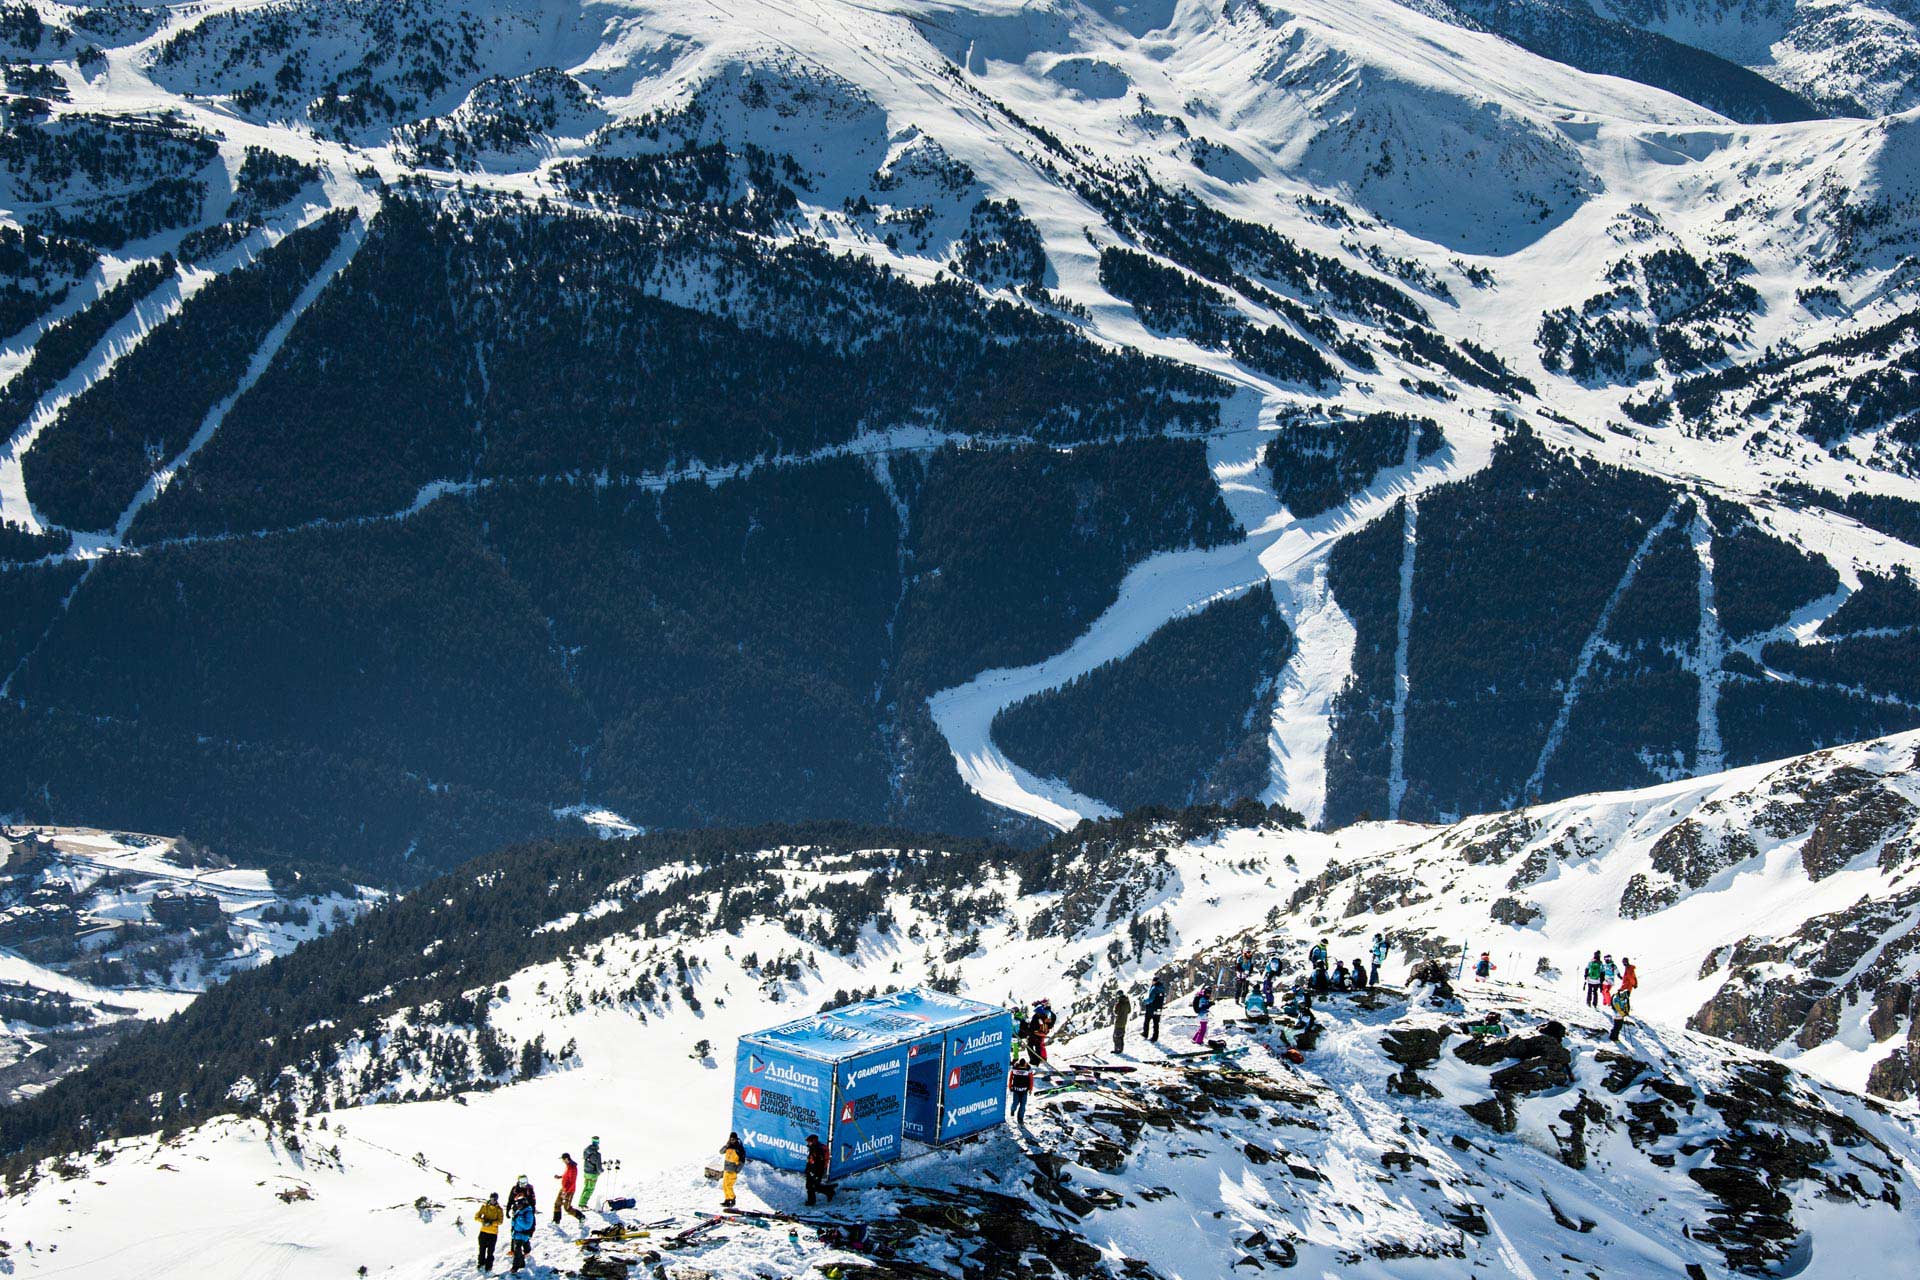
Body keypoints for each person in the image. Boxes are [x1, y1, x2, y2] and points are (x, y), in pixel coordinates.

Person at [804, 1134, 836, 1206]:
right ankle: (829, 1191)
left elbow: (819, 1164)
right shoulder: (814, 1148)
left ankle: (812, 1201)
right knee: (812, 1186)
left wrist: (814, 1172)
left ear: (813, 1141)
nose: (808, 1143)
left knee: (812, 1186)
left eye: (809, 1142)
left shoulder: (818, 1150)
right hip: (812, 1170)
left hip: (816, 1171)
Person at [474, 1192, 503, 1271]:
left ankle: (489, 1266)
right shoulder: (484, 1206)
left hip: (493, 1233)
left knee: (490, 1251)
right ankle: (481, 1263)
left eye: (494, 1199)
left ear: (496, 1200)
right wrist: (483, 1221)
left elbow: (500, 1221)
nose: (492, 1200)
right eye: (491, 1198)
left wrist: (491, 1223)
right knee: (482, 1249)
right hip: (483, 1231)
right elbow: (476, 1217)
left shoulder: (499, 1209)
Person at [553, 1153, 584, 1224]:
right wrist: (560, 1177)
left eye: (563, 1159)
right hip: (564, 1189)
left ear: (566, 1159)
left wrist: (566, 1192)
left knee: (567, 1208)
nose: (562, 1161)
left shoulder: (573, 1168)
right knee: (557, 1203)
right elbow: (566, 1176)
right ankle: (556, 1220)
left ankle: (581, 1217)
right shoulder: (568, 1166)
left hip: (569, 1191)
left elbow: (572, 1182)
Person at [508, 1197, 536, 1272]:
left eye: (519, 1204)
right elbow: (514, 1221)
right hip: (517, 1234)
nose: (518, 1206)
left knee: (517, 1250)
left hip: (523, 1234)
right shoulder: (519, 1211)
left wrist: (518, 1219)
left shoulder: (528, 1213)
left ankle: (515, 1267)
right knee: (519, 1248)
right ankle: (522, 1263)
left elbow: (527, 1226)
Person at [1008, 1051, 1035, 1125]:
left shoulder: (1028, 1069)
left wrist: (1030, 1088)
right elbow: (1010, 1078)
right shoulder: (1015, 1068)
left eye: (1023, 1067)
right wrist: (1010, 1086)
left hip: (1024, 1091)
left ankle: (1020, 1118)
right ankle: (1012, 1110)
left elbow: (1031, 1079)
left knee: (1023, 1105)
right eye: (1021, 1066)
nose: (1022, 1068)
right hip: (1016, 1090)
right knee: (1015, 1103)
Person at [720, 1131, 745, 1209]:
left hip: (732, 1171)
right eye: (731, 1139)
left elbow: (742, 1161)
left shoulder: (739, 1148)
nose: (732, 1141)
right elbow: (721, 1152)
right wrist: (726, 1146)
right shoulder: (728, 1146)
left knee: (729, 1186)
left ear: (736, 1139)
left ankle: (732, 1199)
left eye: (733, 1139)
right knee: (724, 1186)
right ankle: (727, 1200)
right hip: (726, 1170)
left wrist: (737, 1170)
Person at [579, 1136, 603, 1211]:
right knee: (590, 1189)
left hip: (586, 1171)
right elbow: (598, 1167)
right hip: (593, 1173)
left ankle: (581, 1203)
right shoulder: (597, 1154)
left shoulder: (586, 1150)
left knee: (586, 1187)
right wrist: (601, 1171)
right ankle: (583, 1204)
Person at [1141, 976, 1165, 1043]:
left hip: (1152, 1008)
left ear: (1155, 981)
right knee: (1156, 1023)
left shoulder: (1154, 988)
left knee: (1147, 1021)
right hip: (1159, 1008)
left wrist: (1145, 1001)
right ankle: (1155, 1037)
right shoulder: (1162, 988)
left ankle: (1145, 1034)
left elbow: (1151, 999)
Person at [1112, 988, 1132, 1053]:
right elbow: (1129, 1011)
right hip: (1124, 1021)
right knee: (1121, 1036)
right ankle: (1120, 1049)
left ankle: (1117, 1049)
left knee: (1116, 1037)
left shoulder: (1119, 1003)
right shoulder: (1127, 1002)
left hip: (1118, 1022)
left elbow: (1115, 1012)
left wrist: (1115, 1007)